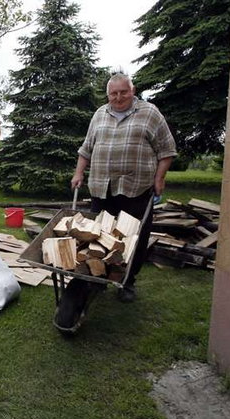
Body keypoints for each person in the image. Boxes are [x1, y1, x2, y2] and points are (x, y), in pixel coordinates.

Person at [71, 73, 177, 302]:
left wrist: (159, 179)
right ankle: (100, 277)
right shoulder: (100, 113)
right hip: (102, 187)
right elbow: (86, 148)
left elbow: (167, 150)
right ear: (108, 94)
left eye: (123, 92)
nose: (118, 97)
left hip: (136, 188)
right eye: (113, 93)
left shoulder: (149, 113)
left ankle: (127, 281)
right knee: (98, 236)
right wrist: (79, 172)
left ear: (133, 90)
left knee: (133, 238)